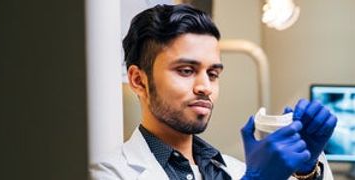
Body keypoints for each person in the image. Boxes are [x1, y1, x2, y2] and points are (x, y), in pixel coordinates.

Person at [90, 4, 337, 180]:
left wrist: (307, 171)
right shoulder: (106, 173)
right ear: (138, 80)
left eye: (213, 73)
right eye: (186, 70)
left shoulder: (234, 170)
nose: (205, 87)